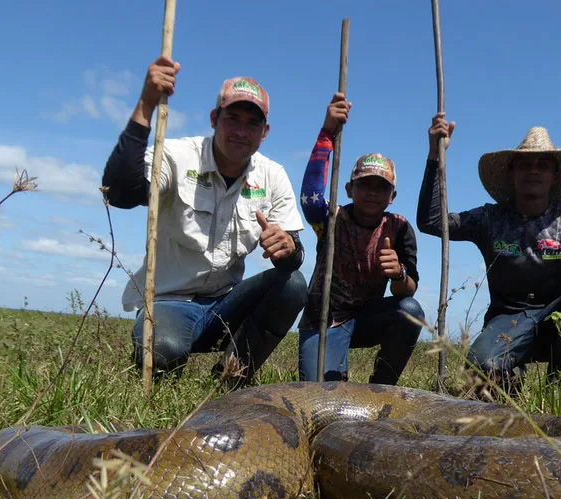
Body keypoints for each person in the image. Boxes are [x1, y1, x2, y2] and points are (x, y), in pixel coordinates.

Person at [101, 56, 307, 387]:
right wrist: (147, 104)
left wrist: (288, 249)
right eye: (232, 118)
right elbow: (119, 193)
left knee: (294, 282)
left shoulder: (273, 175)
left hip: (226, 304)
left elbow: (294, 254)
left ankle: (230, 379)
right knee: (164, 352)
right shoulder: (178, 156)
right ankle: (159, 348)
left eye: (252, 123)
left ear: (265, 132)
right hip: (169, 300)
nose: (241, 131)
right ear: (214, 119)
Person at [418, 114, 561, 392]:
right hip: (507, 321)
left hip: (558, 319)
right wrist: (435, 156)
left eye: (543, 165)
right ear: (511, 173)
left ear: (556, 175)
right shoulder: (489, 218)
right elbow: (432, 222)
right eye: (525, 164)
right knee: (483, 372)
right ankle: (509, 374)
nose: (534, 170)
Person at [297, 93, 423, 383]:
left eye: (381, 187)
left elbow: (408, 290)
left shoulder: (400, 228)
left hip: (367, 317)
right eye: (364, 184)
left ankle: (382, 385)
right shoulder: (331, 220)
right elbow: (311, 197)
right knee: (321, 393)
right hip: (323, 320)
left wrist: (399, 274)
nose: (372, 192)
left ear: (392, 197)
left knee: (410, 311)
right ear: (348, 189)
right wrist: (327, 132)